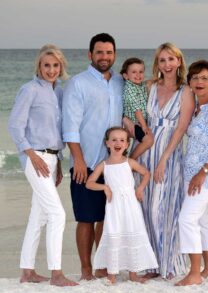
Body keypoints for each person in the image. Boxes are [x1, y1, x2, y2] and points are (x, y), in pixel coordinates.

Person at [8, 44, 78, 286]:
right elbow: (15, 126)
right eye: (46, 65)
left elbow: (56, 133)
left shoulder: (58, 92)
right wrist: (31, 154)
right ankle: (56, 273)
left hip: (51, 157)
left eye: (55, 65)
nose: (51, 70)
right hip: (34, 157)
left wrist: (58, 162)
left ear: (61, 67)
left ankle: (27, 271)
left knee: (37, 217)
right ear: (39, 66)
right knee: (57, 214)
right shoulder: (29, 90)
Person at [62, 33, 123, 280]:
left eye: (109, 52)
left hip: (114, 165)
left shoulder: (121, 82)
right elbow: (70, 126)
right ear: (90, 55)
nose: (104, 57)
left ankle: (103, 265)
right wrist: (77, 159)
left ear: (114, 55)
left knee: (107, 219)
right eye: (99, 52)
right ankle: (86, 268)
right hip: (85, 162)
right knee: (87, 218)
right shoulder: (78, 83)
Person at [139, 43, 195, 279]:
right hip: (145, 152)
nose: (167, 64)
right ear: (157, 64)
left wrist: (163, 160)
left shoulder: (186, 91)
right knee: (144, 208)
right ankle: (151, 265)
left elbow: (181, 128)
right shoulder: (149, 86)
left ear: (179, 61)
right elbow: (134, 114)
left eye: (171, 59)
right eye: (162, 60)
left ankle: (169, 264)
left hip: (168, 155)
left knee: (163, 209)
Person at [175, 60, 208, 286]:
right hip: (191, 172)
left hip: (207, 174)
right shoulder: (198, 107)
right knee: (201, 220)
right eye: (195, 77)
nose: (199, 82)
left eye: (205, 78)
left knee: (186, 219)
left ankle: (194, 273)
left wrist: (203, 172)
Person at [86, 127, 158, 284]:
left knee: (132, 232)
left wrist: (139, 188)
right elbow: (89, 183)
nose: (117, 143)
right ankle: (111, 274)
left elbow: (146, 173)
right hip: (114, 206)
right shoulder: (103, 165)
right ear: (107, 143)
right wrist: (104, 187)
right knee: (114, 234)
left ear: (127, 145)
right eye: (114, 140)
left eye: (122, 140)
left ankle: (134, 274)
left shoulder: (129, 162)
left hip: (131, 205)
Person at [121, 57, 154, 159]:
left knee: (126, 146)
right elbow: (137, 110)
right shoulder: (129, 89)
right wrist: (144, 126)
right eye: (134, 72)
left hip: (139, 122)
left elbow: (150, 82)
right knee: (148, 140)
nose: (138, 75)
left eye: (141, 72)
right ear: (126, 75)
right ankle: (131, 160)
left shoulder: (140, 86)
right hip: (134, 122)